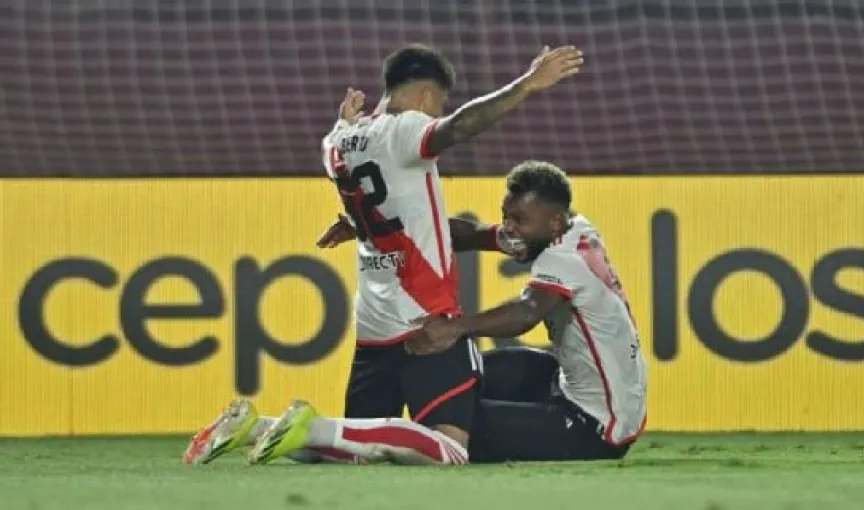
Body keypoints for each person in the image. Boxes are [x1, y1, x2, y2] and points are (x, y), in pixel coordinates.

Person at [183, 43, 584, 466]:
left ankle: (254, 426)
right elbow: (463, 126)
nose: (436, 114)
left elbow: (385, 210)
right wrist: (530, 83)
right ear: (427, 97)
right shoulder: (405, 129)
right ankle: (309, 424)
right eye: (438, 104)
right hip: (425, 321)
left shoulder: (335, 143)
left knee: (359, 447)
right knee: (450, 449)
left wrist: (353, 205)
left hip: (373, 324)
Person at [411, 160, 648, 462]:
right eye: (506, 217)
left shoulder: (563, 259)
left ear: (554, 221)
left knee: (456, 424)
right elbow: (474, 233)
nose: (509, 228)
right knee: (461, 378)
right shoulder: (571, 229)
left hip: (595, 427)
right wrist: (386, 229)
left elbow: (527, 312)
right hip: (568, 386)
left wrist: (455, 327)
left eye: (519, 220)